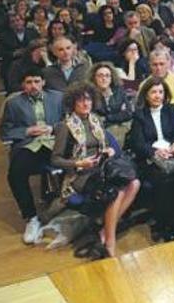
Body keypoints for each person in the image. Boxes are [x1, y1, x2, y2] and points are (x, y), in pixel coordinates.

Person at [51, 83, 140, 258]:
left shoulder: (97, 120)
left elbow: (105, 145)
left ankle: (103, 233)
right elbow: (55, 159)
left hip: (101, 168)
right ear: (73, 103)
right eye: (81, 100)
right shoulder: (65, 126)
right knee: (117, 191)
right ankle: (110, 242)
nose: (86, 104)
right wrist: (79, 163)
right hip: (80, 174)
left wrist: (110, 150)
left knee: (134, 183)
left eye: (88, 99)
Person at [0, 67, 64, 243]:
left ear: (43, 82)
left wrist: (53, 128)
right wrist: (27, 130)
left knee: (72, 164)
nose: (33, 86)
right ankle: (31, 217)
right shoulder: (13, 103)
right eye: (29, 82)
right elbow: (5, 131)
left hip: (54, 142)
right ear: (23, 85)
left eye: (36, 81)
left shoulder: (57, 97)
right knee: (15, 174)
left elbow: (69, 120)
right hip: (30, 145)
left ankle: (66, 210)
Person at [127, 77, 174, 240]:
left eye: (161, 92)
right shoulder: (140, 115)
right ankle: (163, 223)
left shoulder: (171, 109)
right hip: (151, 159)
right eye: (153, 92)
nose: (158, 95)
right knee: (163, 180)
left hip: (173, 154)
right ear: (146, 95)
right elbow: (137, 143)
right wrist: (155, 151)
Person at [89, 62, 135, 146]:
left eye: (107, 76)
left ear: (111, 78)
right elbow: (95, 118)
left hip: (120, 127)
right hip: (100, 130)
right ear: (94, 78)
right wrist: (118, 115)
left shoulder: (118, 91)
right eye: (100, 75)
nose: (104, 78)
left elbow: (128, 113)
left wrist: (107, 118)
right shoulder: (89, 94)